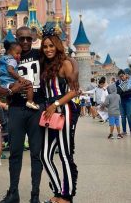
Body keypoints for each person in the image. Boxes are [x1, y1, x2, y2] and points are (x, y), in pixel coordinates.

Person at [0, 26, 78, 203]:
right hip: (16, 109)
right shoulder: (10, 57)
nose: (25, 42)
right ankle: (13, 193)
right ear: (16, 39)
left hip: (37, 109)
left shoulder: (40, 54)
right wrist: (11, 91)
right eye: (22, 39)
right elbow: (0, 87)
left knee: (37, 153)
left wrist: (75, 73)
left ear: (33, 37)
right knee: (15, 153)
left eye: (28, 38)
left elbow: (67, 59)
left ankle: (35, 195)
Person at [39, 31, 80, 203]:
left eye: (51, 46)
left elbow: (74, 91)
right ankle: (57, 191)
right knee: (45, 155)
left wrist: (55, 105)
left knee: (64, 154)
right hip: (49, 112)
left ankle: (67, 196)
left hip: (63, 110)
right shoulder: (45, 65)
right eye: (45, 46)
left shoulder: (65, 64)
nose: (48, 49)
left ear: (57, 46)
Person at [0, 40, 38, 110]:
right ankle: (30, 101)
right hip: (9, 81)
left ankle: (8, 103)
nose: (19, 56)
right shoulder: (12, 60)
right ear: (9, 52)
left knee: (11, 92)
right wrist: (20, 78)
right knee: (29, 84)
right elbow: (10, 70)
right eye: (17, 53)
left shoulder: (2, 58)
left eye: (20, 54)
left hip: (2, 82)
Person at [116, 70, 131, 135]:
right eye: (120, 77)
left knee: (129, 115)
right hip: (121, 101)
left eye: (122, 76)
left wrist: (123, 91)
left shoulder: (129, 81)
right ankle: (124, 131)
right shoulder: (117, 83)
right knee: (123, 116)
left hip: (128, 100)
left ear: (125, 75)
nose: (121, 78)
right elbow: (117, 91)